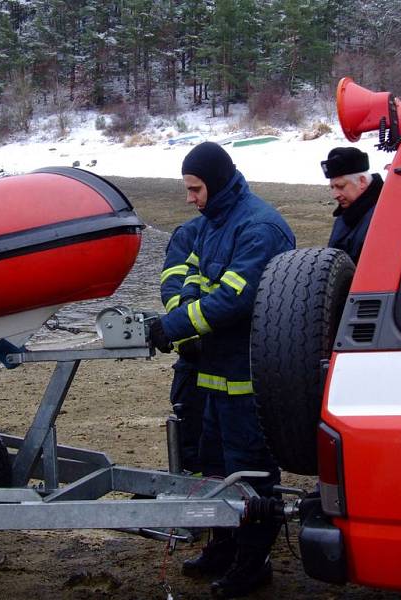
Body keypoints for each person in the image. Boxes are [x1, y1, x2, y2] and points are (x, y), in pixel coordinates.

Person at [149, 141, 295, 598]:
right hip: (213, 376)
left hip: (248, 379)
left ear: (214, 182)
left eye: (194, 189)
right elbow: (192, 278)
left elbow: (233, 298)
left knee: (249, 474)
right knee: (214, 469)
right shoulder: (216, 223)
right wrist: (181, 323)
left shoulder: (260, 227)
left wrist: (172, 326)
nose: (190, 198)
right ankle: (223, 548)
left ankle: (255, 564)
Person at [159, 215, 206, 474]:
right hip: (196, 352)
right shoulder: (190, 233)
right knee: (191, 422)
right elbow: (173, 286)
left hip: (235, 353)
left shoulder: (251, 227)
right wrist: (187, 334)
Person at [321, 146, 383, 264]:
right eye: (332, 187)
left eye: (340, 186)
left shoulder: (383, 216)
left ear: (362, 181)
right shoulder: (347, 213)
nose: (335, 195)